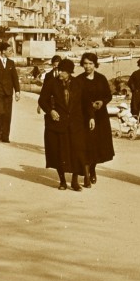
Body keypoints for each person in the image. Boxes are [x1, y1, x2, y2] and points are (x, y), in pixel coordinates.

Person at [37, 58, 87, 190]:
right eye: (59, 71)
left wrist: (91, 118)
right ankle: (63, 181)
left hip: (75, 124)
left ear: (70, 72)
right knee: (60, 153)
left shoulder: (78, 83)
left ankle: (75, 181)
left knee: (77, 152)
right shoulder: (51, 83)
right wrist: (50, 111)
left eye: (63, 72)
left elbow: (85, 103)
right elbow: (42, 100)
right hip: (58, 124)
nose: (60, 74)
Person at [75, 52, 114, 187]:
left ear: (95, 64)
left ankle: (92, 168)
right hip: (84, 117)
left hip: (100, 117)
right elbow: (76, 99)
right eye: (85, 63)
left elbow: (108, 95)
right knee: (86, 146)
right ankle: (86, 175)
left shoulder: (101, 79)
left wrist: (102, 102)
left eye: (90, 64)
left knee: (98, 146)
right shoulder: (78, 80)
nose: (87, 66)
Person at [0, 40, 20, 142]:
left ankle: (5, 136)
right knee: (0, 113)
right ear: (3, 51)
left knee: (7, 115)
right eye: (9, 50)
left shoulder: (11, 63)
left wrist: (17, 91)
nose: (11, 52)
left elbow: (15, 78)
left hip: (8, 93)